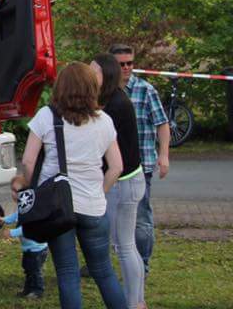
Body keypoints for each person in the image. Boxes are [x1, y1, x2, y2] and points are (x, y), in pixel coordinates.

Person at [21, 62, 126, 309]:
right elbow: (117, 167)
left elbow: (27, 162)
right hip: (94, 207)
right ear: (92, 88)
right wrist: (100, 193)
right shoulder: (104, 121)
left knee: (67, 274)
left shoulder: (46, 117)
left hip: (57, 208)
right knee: (104, 272)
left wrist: (27, 185)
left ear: (61, 87)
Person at [109, 43, 170, 276]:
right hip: (108, 166)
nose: (126, 68)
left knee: (141, 217)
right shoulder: (104, 92)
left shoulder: (146, 90)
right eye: (121, 64)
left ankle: (142, 263)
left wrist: (163, 155)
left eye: (130, 63)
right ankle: (100, 261)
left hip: (139, 166)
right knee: (105, 215)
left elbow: (162, 123)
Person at [92, 53, 146, 309]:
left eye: (95, 71)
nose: (90, 75)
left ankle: (134, 302)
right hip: (126, 181)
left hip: (124, 183)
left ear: (107, 75)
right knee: (124, 244)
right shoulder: (110, 101)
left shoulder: (115, 105)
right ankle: (137, 301)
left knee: (124, 245)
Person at [0, 175, 49, 300]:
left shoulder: (31, 209)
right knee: (28, 269)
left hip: (37, 249)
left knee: (35, 271)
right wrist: (4, 219)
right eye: (12, 190)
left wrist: (12, 233)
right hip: (29, 248)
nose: (12, 194)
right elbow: (17, 216)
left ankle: (37, 291)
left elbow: (28, 227)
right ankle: (28, 290)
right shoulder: (24, 206)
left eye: (15, 191)